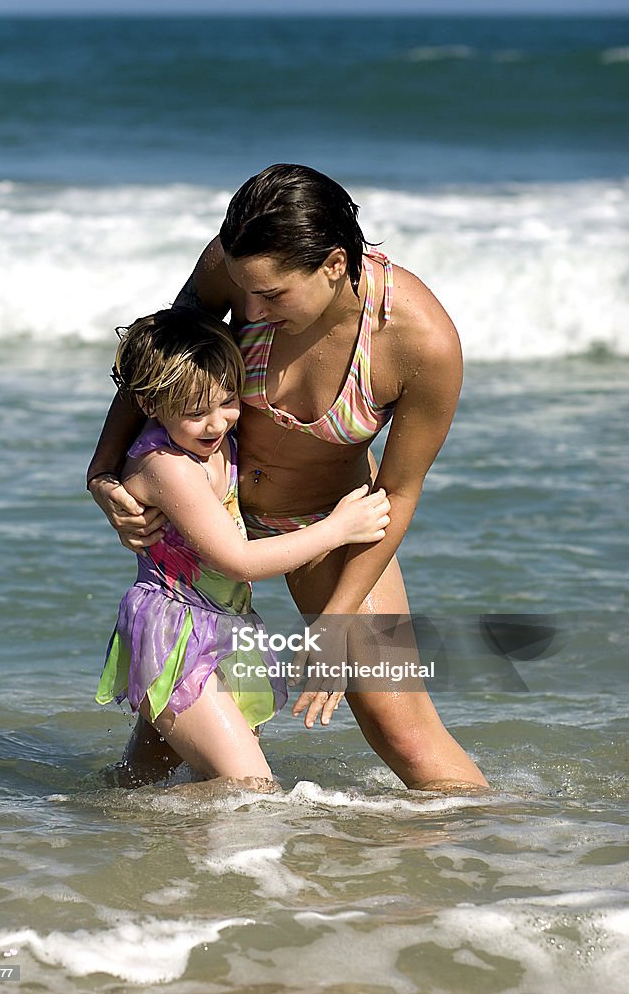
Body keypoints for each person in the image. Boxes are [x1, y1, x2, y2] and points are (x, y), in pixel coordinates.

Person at [88, 163, 489, 791]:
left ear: (333, 264)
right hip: (208, 514)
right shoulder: (241, 262)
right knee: (167, 744)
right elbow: (161, 362)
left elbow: (397, 494)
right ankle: (108, 861)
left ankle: (488, 860)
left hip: (329, 525)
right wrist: (104, 470)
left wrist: (335, 625)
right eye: (244, 291)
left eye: (271, 297)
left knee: (402, 727)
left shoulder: (420, 344)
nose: (248, 309)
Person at [93, 308, 391, 785]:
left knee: (142, 779)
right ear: (150, 405)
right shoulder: (169, 468)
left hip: (223, 629)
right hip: (174, 637)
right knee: (251, 791)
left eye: (227, 402)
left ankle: (106, 828)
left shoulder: (218, 442)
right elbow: (239, 559)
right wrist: (337, 528)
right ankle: (114, 822)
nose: (216, 423)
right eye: (195, 413)